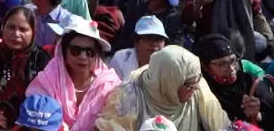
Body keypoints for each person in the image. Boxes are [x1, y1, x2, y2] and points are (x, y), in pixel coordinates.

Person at [94, 46, 230, 131]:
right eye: (189, 85)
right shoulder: (130, 94)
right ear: (169, 84)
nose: (195, 88)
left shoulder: (197, 85)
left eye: (197, 81)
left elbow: (221, 125)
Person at [25, 16, 120, 131]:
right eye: (76, 51)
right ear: (64, 52)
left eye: (90, 52)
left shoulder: (110, 85)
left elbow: (114, 123)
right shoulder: (48, 80)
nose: (82, 57)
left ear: (97, 55)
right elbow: (35, 119)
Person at [0, 5, 51, 122]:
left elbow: (45, 103)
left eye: (23, 29)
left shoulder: (42, 59)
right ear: (2, 28)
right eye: (11, 27)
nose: (16, 34)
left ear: (33, 32)